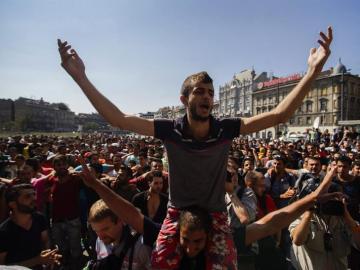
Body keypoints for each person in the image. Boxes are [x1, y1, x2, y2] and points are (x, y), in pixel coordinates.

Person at [58, 26, 333, 269]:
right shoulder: (169, 129)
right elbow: (117, 118)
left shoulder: (226, 127)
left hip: (215, 215)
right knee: (161, 262)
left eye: (211, 93)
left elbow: (278, 116)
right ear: (184, 99)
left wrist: (312, 71)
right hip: (177, 213)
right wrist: (80, 77)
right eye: (200, 91)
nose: (207, 97)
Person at [0, 184, 61, 269]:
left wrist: (49, 257)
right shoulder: (4, 232)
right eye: (27, 196)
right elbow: (2, 267)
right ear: (12, 204)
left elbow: (46, 240)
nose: (34, 199)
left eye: (34, 194)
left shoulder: (39, 218)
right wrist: (38, 260)